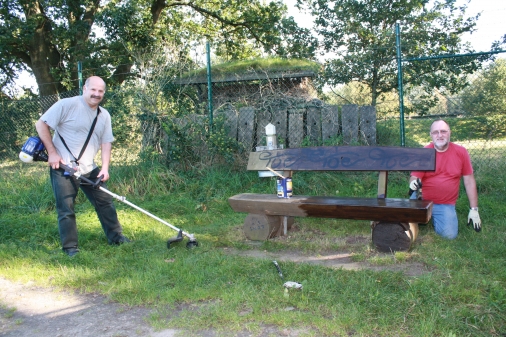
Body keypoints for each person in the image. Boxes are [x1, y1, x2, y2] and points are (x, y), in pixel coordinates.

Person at [35, 76, 129, 256]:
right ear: (84, 88)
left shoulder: (104, 115)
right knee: (66, 209)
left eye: (101, 91)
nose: (96, 94)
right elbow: (41, 124)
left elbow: (106, 142)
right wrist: (53, 153)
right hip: (64, 168)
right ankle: (70, 248)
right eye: (93, 89)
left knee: (105, 202)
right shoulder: (67, 105)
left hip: (90, 168)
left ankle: (116, 238)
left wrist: (105, 168)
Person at [409, 119, 481, 239]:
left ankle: (432, 217)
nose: (440, 135)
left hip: (445, 204)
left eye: (443, 131)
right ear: (431, 135)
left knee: (449, 235)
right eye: (435, 132)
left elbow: (469, 181)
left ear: (449, 133)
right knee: (405, 225)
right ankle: (419, 214)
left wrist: (474, 209)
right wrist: (413, 184)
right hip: (423, 201)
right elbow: (414, 177)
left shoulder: (461, 152)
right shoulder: (425, 152)